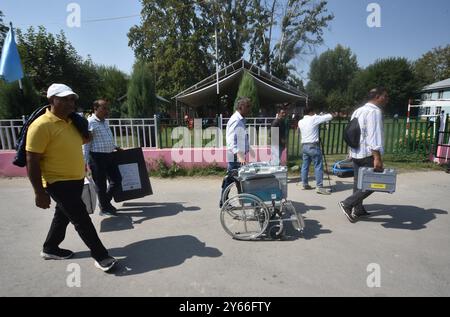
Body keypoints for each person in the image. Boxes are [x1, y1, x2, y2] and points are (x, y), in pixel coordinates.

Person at [26, 84, 117, 272]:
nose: (71, 103)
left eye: (72, 99)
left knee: (63, 216)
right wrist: (39, 192)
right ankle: (101, 255)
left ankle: (50, 247)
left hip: (76, 180)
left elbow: (86, 140)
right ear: (52, 100)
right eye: (65, 99)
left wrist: (86, 129)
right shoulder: (40, 126)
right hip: (57, 182)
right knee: (81, 218)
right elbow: (32, 161)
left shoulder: (73, 123)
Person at [338, 87, 389, 223]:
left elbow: (351, 131)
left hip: (356, 152)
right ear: (377, 97)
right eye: (385, 96)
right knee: (375, 182)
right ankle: (347, 204)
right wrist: (377, 157)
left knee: (358, 182)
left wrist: (350, 150)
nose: (387, 99)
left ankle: (358, 210)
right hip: (368, 153)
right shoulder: (374, 111)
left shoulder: (358, 110)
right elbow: (374, 135)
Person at [83, 99, 122, 216]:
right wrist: (85, 162)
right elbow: (86, 143)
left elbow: (106, 138)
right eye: (104, 108)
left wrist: (116, 147)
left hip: (109, 155)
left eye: (107, 108)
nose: (107, 111)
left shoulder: (105, 122)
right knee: (101, 184)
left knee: (117, 179)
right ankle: (105, 208)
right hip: (97, 158)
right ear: (95, 109)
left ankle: (105, 203)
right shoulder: (90, 122)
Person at [219, 97, 252, 207]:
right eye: (248, 107)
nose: (249, 109)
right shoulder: (236, 120)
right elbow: (231, 140)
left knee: (238, 179)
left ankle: (241, 200)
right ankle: (224, 201)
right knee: (232, 178)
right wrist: (239, 155)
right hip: (236, 155)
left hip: (238, 154)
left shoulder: (240, 119)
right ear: (241, 107)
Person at [297, 106, 333, 195]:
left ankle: (305, 183)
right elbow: (329, 116)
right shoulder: (314, 118)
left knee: (305, 165)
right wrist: (320, 115)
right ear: (311, 112)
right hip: (313, 145)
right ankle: (319, 187)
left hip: (304, 146)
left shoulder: (300, 121)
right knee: (318, 166)